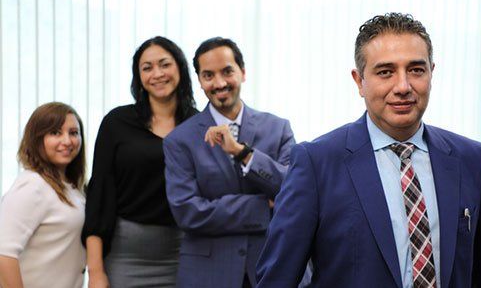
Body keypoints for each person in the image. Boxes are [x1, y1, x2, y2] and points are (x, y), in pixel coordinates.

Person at [257, 13, 481, 287]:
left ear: (431, 73)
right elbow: (277, 279)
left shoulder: (472, 160)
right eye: (385, 72)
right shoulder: (317, 164)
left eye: (416, 70)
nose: (403, 87)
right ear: (359, 81)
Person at [163, 37, 296, 288]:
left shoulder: (278, 129)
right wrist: (262, 206)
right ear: (200, 82)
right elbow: (188, 212)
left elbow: (292, 191)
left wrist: (242, 152)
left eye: (227, 72)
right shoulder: (179, 141)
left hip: (272, 267)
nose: (220, 83)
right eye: (208, 75)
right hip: (208, 275)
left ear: (242, 72)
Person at [82, 36, 198, 288]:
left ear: (180, 67)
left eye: (165, 64)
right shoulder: (117, 123)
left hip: (184, 255)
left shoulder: (199, 125)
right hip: (125, 258)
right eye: (147, 68)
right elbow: (99, 195)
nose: (157, 74)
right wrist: (96, 272)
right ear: (139, 77)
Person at [0, 102, 86, 288]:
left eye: (73, 132)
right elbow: (4, 254)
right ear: (37, 139)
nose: (67, 141)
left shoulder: (72, 189)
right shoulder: (32, 185)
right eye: (55, 133)